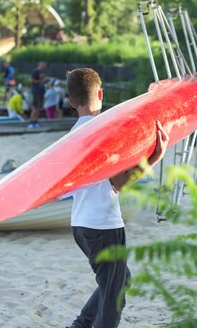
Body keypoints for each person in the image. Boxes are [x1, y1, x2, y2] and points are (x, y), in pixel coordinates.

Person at [65, 68, 169, 328]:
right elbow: (118, 182)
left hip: (80, 225)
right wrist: (154, 158)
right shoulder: (103, 134)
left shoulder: (69, 139)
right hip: (103, 225)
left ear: (70, 101)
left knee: (120, 282)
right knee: (114, 300)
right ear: (100, 93)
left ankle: (78, 326)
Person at [28, 61, 47, 129]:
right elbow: (31, 80)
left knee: (39, 107)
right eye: (43, 66)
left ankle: (35, 121)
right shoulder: (35, 72)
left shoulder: (42, 72)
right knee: (35, 107)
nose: (44, 67)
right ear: (40, 65)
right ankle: (31, 122)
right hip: (36, 91)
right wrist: (41, 81)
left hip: (41, 91)